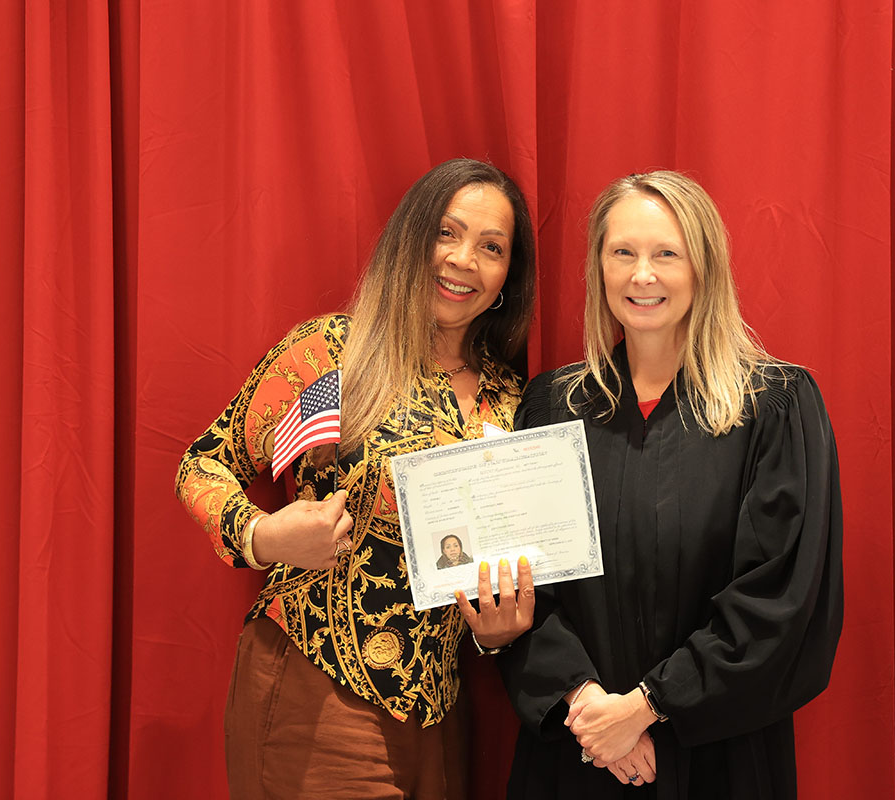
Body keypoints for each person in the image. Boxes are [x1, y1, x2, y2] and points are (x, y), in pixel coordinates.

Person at [175, 158, 537, 799]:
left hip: (440, 714)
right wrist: (264, 535)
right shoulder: (331, 352)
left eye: (491, 247)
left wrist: (498, 633)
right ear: (411, 237)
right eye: (446, 233)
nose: (463, 261)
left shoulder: (513, 397)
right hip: (315, 688)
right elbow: (203, 463)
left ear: (509, 275)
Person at [499, 171, 844, 798]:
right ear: (599, 267)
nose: (642, 275)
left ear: (704, 267)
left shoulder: (773, 407)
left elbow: (782, 599)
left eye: (666, 253)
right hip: (578, 752)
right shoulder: (553, 408)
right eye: (622, 252)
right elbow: (528, 588)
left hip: (719, 756)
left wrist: (647, 707)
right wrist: (589, 706)